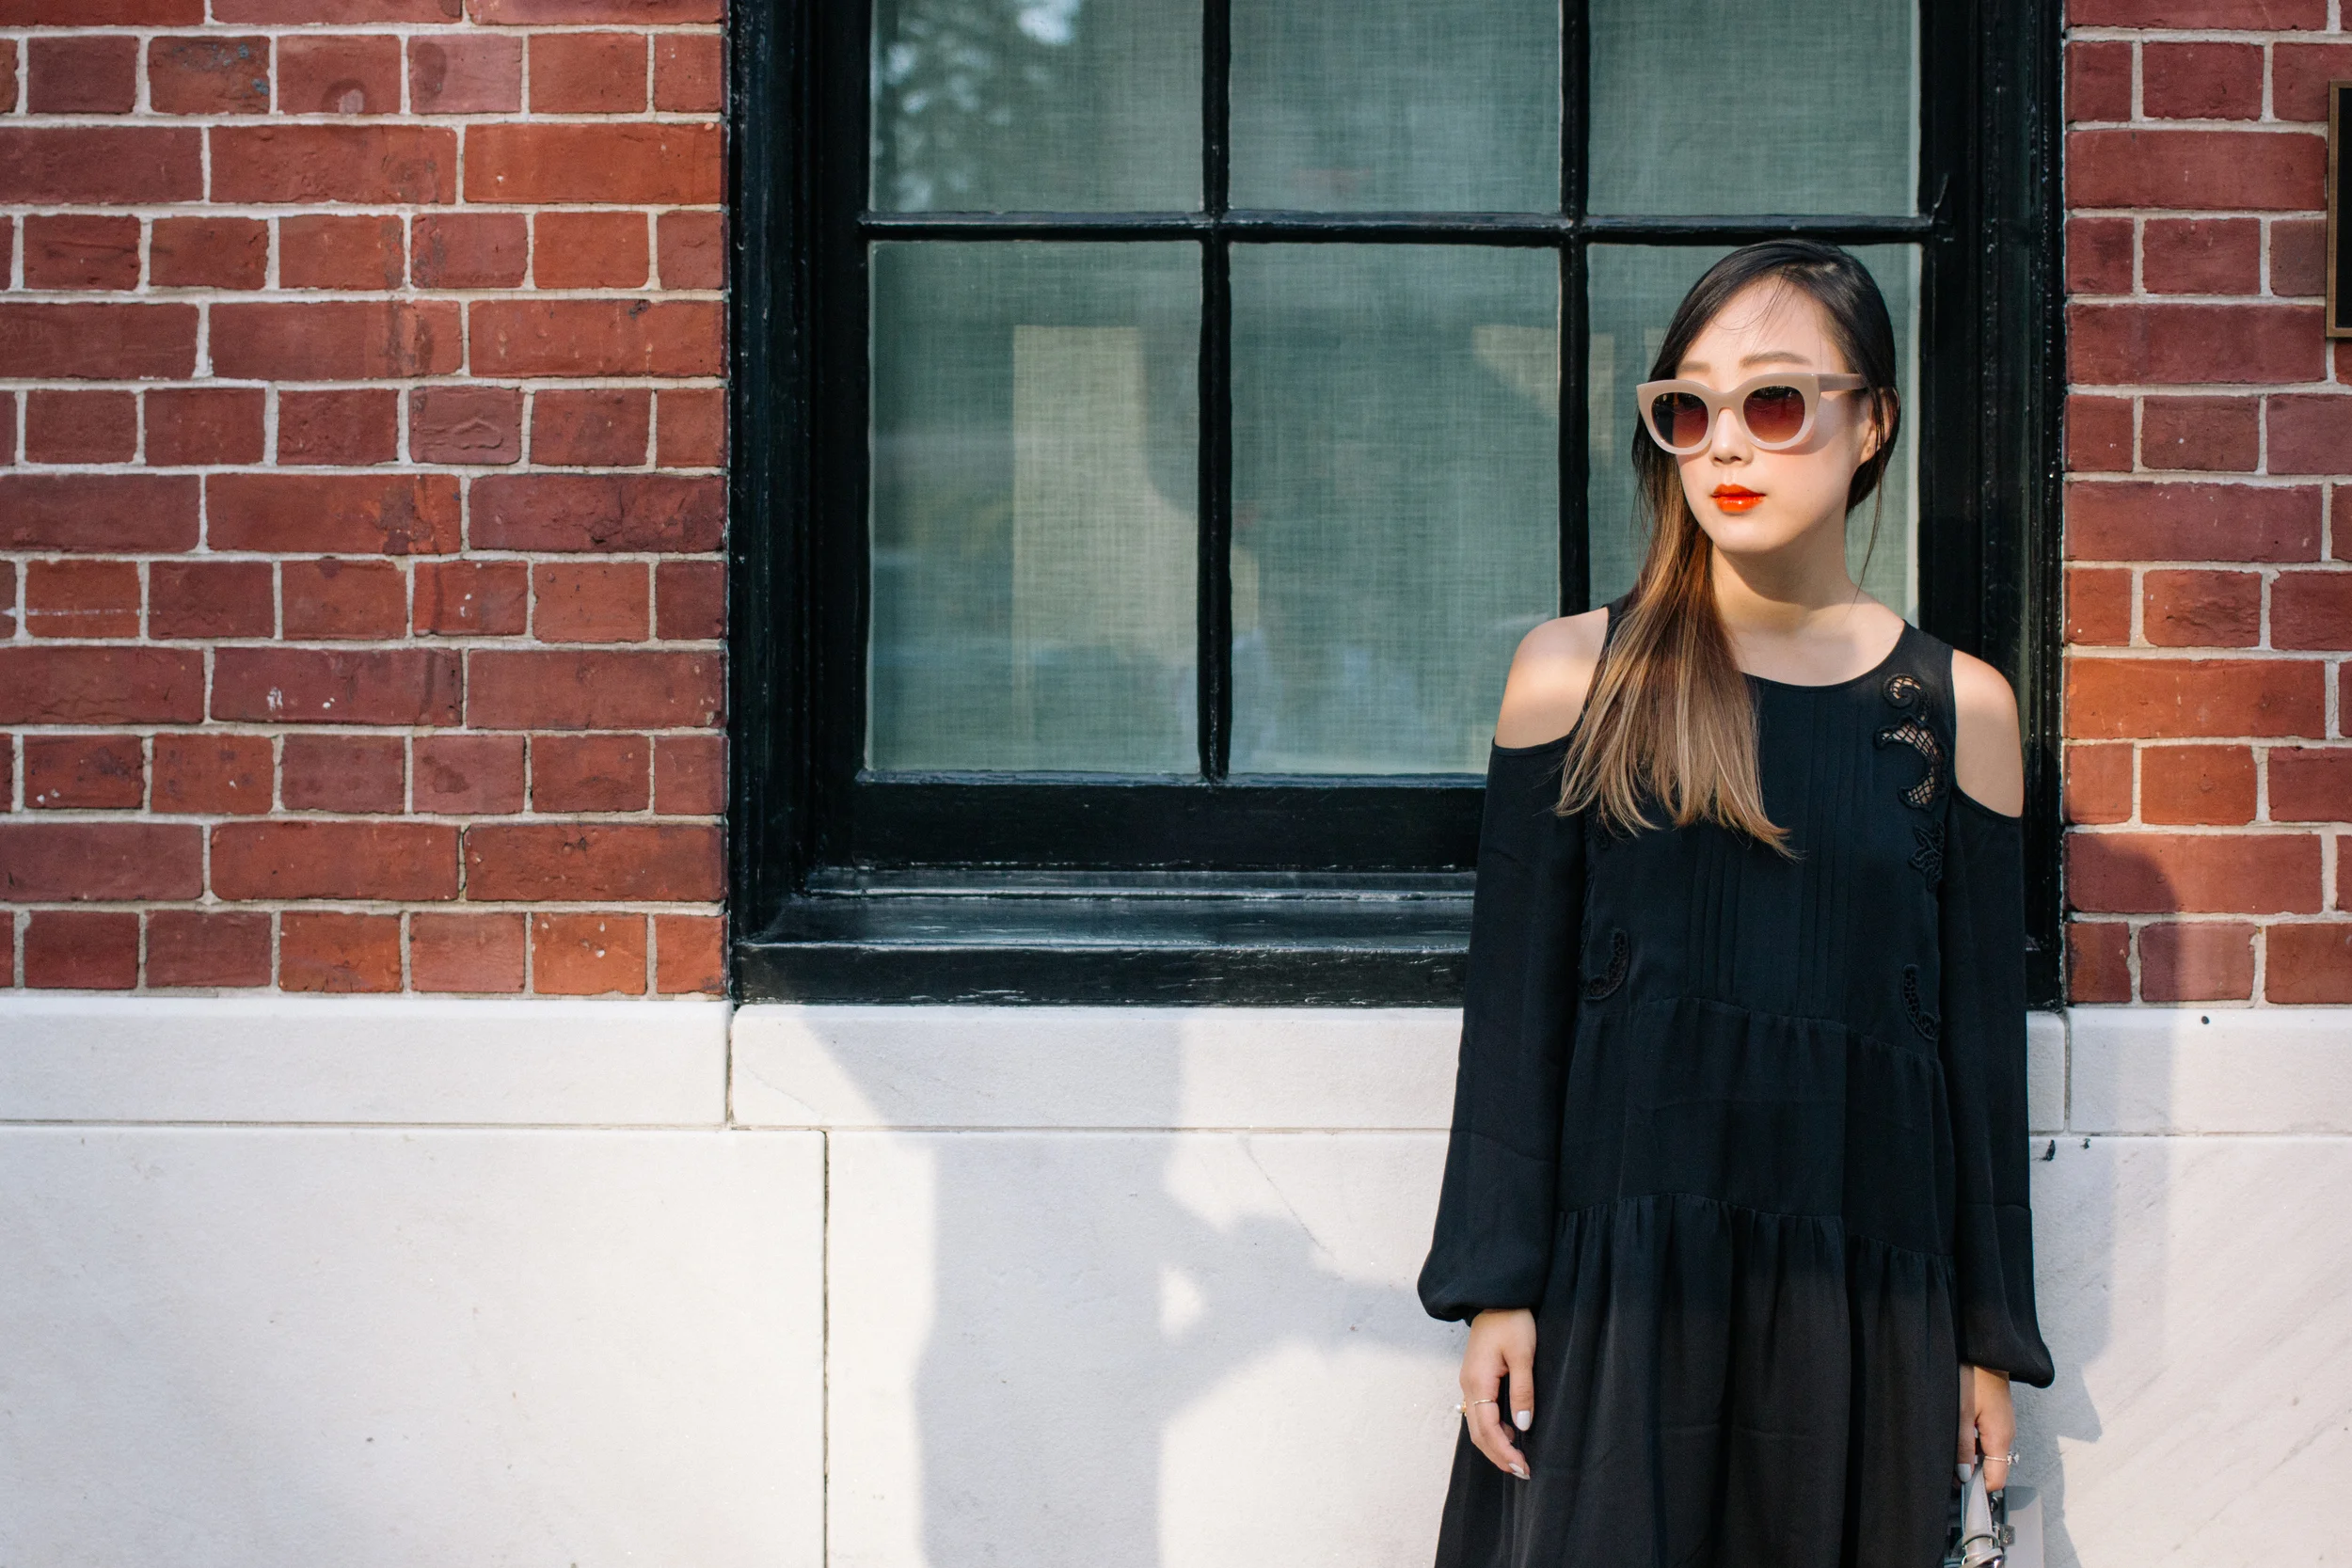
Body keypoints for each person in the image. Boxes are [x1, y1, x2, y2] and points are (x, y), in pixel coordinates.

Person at [1416, 240, 2054, 1567]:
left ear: (1871, 423)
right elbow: (1515, 1014)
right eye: (1686, 408)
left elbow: (1980, 1064)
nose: (1724, 445)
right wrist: (1496, 1290)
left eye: (1772, 401)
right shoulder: (1577, 676)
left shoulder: (1959, 711)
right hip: (1619, 1294)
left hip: (1863, 1303)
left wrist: (1986, 1344)